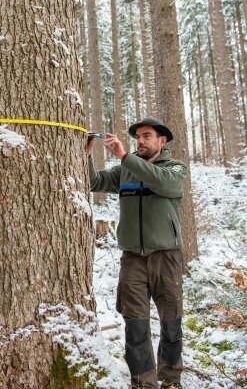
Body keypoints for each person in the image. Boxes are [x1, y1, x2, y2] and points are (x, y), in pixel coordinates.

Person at [87, 118, 187, 389]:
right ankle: (143, 382)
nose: (140, 141)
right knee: (135, 324)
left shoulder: (175, 168)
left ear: (161, 141)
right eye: (137, 137)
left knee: (171, 323)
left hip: (166, 257)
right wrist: (84, 155)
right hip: (132, 257)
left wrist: (124, 156)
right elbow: (94, 181)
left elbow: (164, 184)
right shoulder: (126, 171)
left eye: (146, 136)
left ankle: (170, 379)